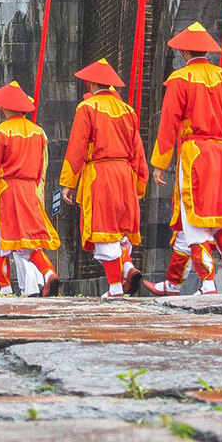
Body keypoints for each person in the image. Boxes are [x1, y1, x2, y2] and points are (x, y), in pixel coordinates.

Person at [145, 22, 222, 297]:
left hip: (196, 154)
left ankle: (207, 285)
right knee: (220, 221)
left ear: (184, 51)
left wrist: (160, 163)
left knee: (195, 225)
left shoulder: (180, 79)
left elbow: (169, 123)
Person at [60, 59, 148, 298]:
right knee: (120, 229)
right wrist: (140, 183)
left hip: (100, 173)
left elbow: (77, 147)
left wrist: (68, 182)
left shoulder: (87, 108)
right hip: (125, 173)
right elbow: (138, 151)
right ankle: (128, 266)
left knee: (104, 229)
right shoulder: (128, 111)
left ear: (90, 83)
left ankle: (116, 288)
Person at [0, 82, 61, 297]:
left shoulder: (0, 132)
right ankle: (48, 273)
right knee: (29, 242)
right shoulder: (38, 133)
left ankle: (5, 289)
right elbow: (42, 167)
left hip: (6, 192)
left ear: (3, 107)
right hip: (29, 190)